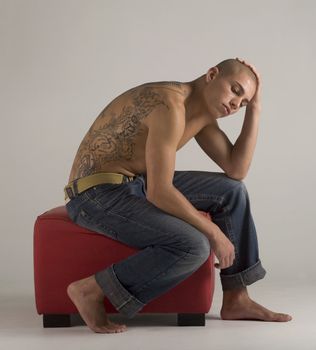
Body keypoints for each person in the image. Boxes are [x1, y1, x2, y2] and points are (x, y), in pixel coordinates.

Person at [63, 58, 292, 333]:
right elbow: (160, 193)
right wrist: (213, 232)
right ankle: (91, 290)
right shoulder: (169, 105)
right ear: (211, 74)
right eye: (235, 90)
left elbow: (236, 169)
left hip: (133, 183)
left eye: (242, 103)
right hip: (94, 195)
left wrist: (255, 108)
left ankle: (237, 298)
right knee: (194, 246)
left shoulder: (201, 116)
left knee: (232, 192)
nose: (235, 104)